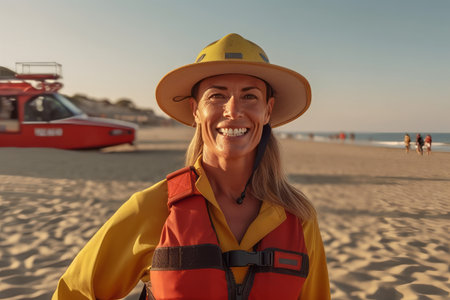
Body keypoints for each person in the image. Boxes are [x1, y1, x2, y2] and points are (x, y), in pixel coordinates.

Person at [52, 33, 330, 300]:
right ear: (196, 110)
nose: (233, 111)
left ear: (267, 110)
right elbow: (73, 293)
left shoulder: (299, 217)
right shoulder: (153, 207)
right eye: (217, 96)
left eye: (249, 96)